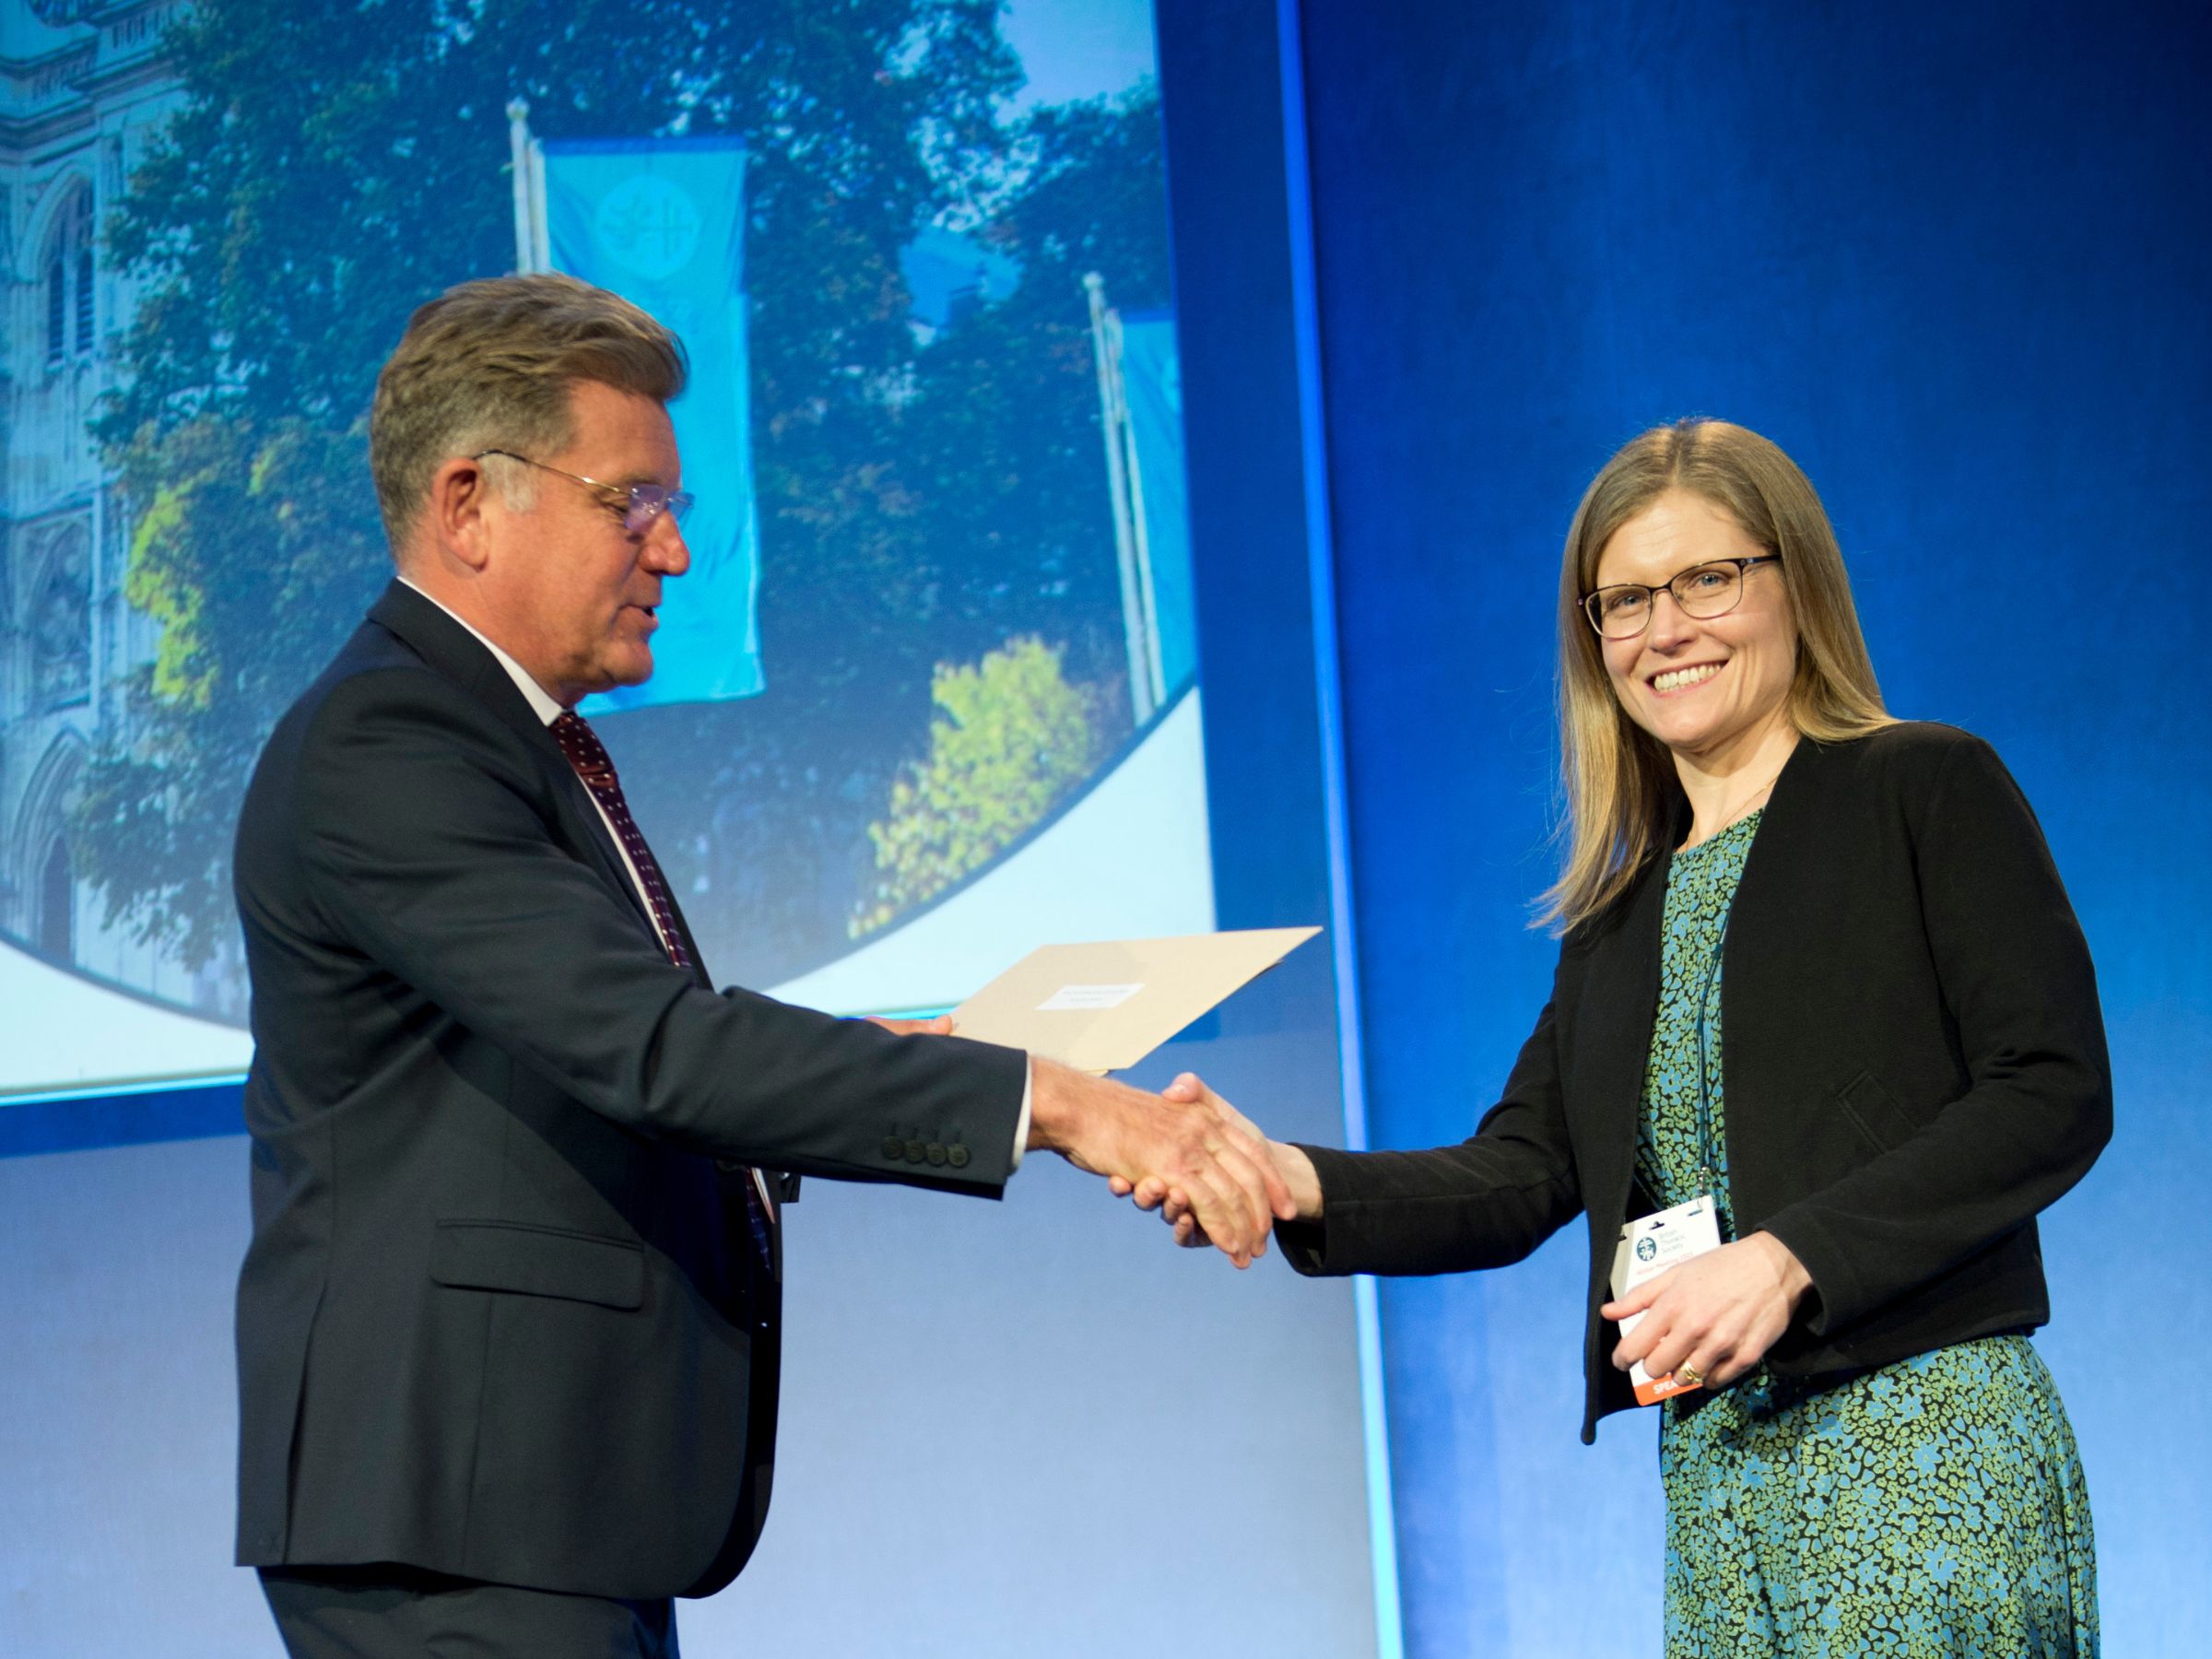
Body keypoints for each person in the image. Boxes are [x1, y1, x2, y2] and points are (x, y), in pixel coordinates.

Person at [231, 271, 1290, 1658]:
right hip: (456, 1520)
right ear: (469, 504)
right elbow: (660, 1052)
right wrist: (1060, 1101)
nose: (672, 554)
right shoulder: (392, 742)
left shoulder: (486, 737)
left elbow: (619, 1054)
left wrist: (925, 1065)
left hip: (528, 1514)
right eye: (634, 504)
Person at [1140, 419, 2111, 1654]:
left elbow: (2051, 1090)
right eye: (1626, 601)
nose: (1667, 630)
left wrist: (1790, 1259)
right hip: (1715, 1478)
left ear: (1794, 581)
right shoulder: (1618, 909)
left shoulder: (1921, 788)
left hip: (1919, 1443)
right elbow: (1522, 1174)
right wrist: (1288, 1179)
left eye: (1709, 579)